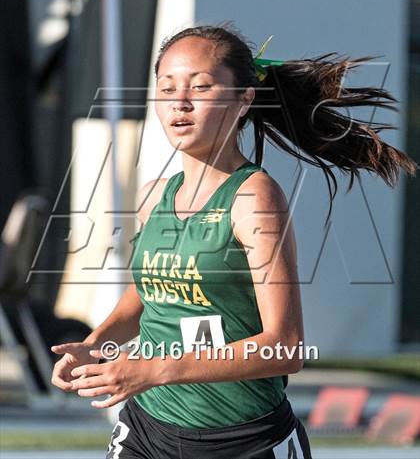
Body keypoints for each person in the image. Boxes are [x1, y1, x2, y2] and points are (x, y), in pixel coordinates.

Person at [51, 24, 418, 459]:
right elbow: (150, 290)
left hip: (243, 442)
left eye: (200, 88)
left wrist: (155, 369)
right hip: (148, 431)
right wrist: (97, 345)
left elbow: (286, 347)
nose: (180, 104)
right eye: (167, 89)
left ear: (244, 99)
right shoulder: (154, 195)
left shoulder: (254, 198)